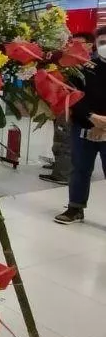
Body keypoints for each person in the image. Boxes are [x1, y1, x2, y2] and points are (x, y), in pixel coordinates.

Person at [54, 27, 106, 225]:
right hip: (84, 125)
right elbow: (72, 94)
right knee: (80, 168)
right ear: (95, 45)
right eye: (102, 43)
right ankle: (75, 208)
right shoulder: (83, 67)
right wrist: (92, 117)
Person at [42, 32, 95, 186]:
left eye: (77, 43)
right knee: (63, 136)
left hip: (73, 107)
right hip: (66, 105)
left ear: (89, 45)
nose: (72, 46)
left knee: (65, 138)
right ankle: (60, 165)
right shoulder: (77, 61)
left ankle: (62, 173)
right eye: (72, 43)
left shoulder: (88, 64)